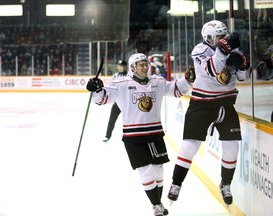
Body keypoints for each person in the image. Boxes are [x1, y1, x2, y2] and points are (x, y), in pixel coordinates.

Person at [86, 53, 195, 216]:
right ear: (132, 67)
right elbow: (102, 99)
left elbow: (176, 90)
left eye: (146, 64)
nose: (145, 67)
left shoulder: (157, 82)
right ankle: (156, 204)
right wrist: (95, 89)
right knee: (144, 169)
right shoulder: (121, 83)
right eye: (141, 65)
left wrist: (188, 79)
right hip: (133, 136)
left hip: (155, 133)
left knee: (158, 169)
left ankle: (158, 202)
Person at [167, 20, 252, 207]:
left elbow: (243, 78)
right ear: (209, 38)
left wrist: (244, 65)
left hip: (226, 105)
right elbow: (214, 70)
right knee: (189, 147)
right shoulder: (200, 50)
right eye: (219, 37)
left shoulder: (232, 51)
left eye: (225, 36)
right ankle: (176, 183)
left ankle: (226, 184)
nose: (224, 39)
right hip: (201, 106)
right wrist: (225, 50)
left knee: (232, 148)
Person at [103, 60, 128, 142]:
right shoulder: (115, 76)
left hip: (126, 103)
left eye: (121, 66)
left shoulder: (129, 76)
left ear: (125, 67)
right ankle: (107, 135)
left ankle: (129, 136)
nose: (119, 67)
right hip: (116, 102)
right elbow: (112, 88)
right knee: (112, 119)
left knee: (129, 120)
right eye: (118, 66)